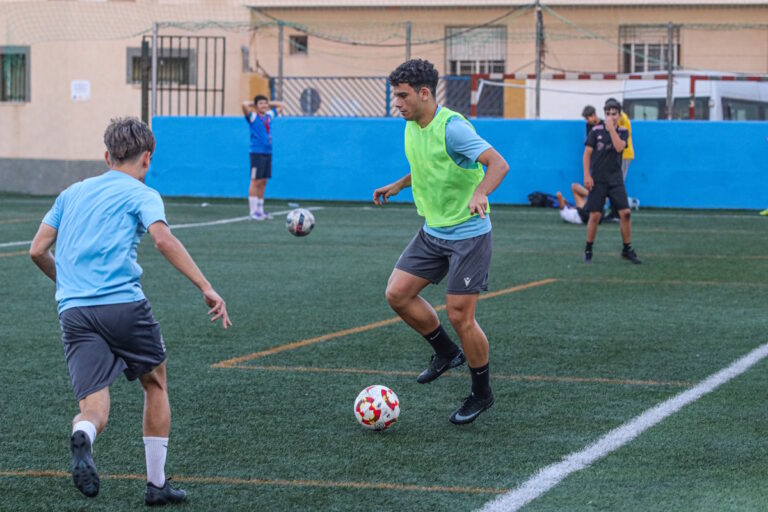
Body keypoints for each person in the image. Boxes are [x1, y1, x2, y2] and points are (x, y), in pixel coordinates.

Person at [29, 117, 232, 505]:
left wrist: (67, 285)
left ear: (107, 156)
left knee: (93, 405)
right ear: (147, 158)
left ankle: (84, 435)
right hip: (123, 305)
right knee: (154, 383)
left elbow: (37, 249)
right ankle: (156, 485)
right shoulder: (143, 193)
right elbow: (162, 238)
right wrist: (206, 287)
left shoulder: (71, 192)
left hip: (74, 312)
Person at [373, 59, 509, 425]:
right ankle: (446, 352)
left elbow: (498, 164)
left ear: (424, 93)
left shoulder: (454, 128)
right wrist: (398, 185)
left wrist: (481, 193)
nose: (396, 103)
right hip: (433, 231)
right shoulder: (413, 125)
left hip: (468, 234)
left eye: (402, 96)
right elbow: (427, 165)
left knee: (461, 315)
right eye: (394, 96)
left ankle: (482, 394)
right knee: (397, 293)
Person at [583, 98, 642, 264]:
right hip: (598, 179)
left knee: (626, 213)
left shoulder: (623, 131)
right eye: (608, 113)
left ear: (619, 115)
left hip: (615, 179)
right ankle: (588, 249)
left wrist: (612, 130)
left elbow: (618, 147)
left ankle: (627, 249)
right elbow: (587, 153)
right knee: (595, 215)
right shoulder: (595, 131)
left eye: (614, 114)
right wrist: (587, 176)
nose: (610, 116)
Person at [242, 95, 284, 220]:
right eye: (261, 103)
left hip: (268, 152)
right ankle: (253, 211)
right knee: (255, 180)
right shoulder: (253, 117)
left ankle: (260, 209)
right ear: (256, 106)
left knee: (264, 181)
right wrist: (253, 103)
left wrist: (267, 103)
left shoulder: (269, 116)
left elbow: (281, 106)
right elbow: (243, 105)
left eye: (265, 103)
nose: (264, 106)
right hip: (256, 152)